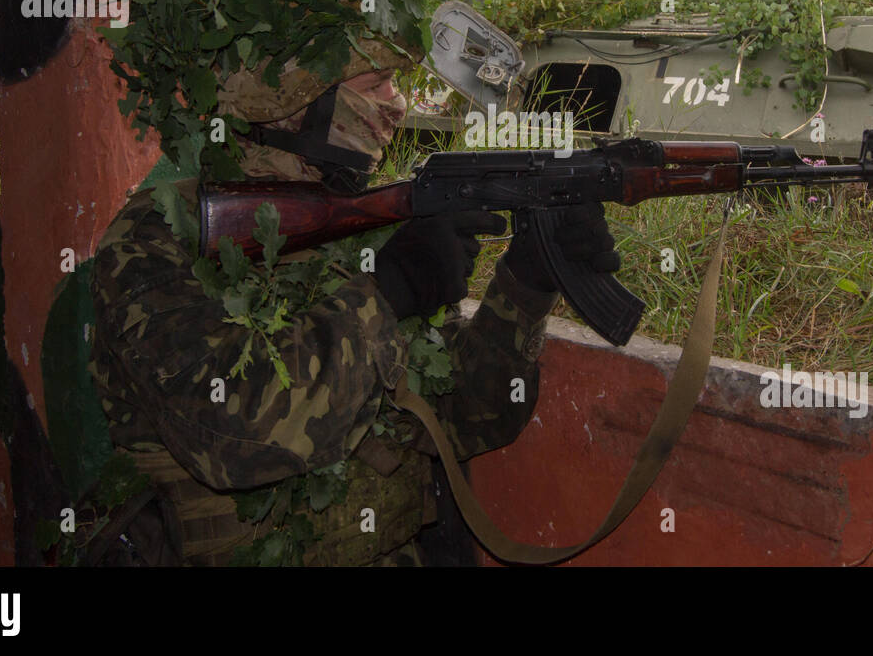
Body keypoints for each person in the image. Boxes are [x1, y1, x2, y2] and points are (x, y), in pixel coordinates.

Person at [88, 40, 620, 565]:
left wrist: (526, 283)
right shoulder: (160, 238)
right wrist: (386, 293)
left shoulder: (361, 222)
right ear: (292, 101)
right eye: (375, 84)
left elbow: (470, 420)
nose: (396, 103)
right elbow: (232, 437)